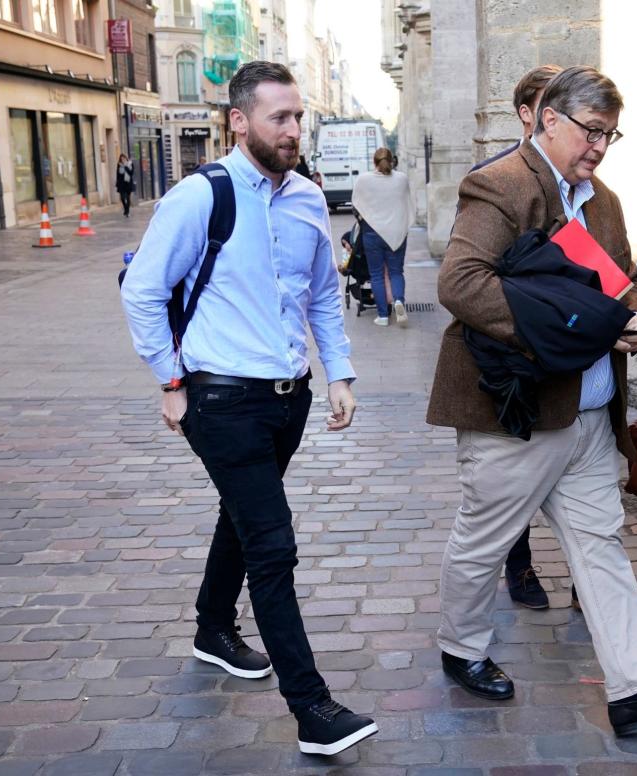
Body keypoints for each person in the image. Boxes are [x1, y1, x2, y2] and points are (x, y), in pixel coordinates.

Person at [429, 65, 637, 737]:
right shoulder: (499, 187)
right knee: (483, 542)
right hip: (516, 416)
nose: (599, 147)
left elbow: (627, 283)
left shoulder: (603, 201)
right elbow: (461, 285)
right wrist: (578, 323)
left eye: (610, 135)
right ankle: (461, 648)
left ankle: (635, 688)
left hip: (589, 413)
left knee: (601, 546)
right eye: (591, 131)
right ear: (546, 120)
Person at [119, 61, 377, 757]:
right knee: (272, 543)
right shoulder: (199, 197)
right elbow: (142, 290)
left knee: (243, 514)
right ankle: (312, 708)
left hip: (286, 401)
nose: (295, 130)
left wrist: (339, 375)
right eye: (280, 118)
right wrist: (171, 383)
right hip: (221, 398)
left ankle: (211, 626)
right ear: (239, 121)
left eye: (298, 117)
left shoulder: (305, 199)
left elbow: (321, 293)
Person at [465, 63, 562, 610]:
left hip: (571, 356)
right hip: (514, 352)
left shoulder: (584, 184)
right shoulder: (494, 177)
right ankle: (518, 568)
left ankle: (586, 582)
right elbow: (474, 279)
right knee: (514, 471)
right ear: (529, 115)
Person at [351, 147, 413, 327]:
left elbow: (356, 205)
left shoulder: (363, 179)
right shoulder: (402, 179)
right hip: (396, 233)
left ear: (374, 162)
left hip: (372, 233)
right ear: (392, 161)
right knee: (396, 272)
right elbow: (407, 204)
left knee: (376, 275)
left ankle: (383, 316)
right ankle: (399, 301)